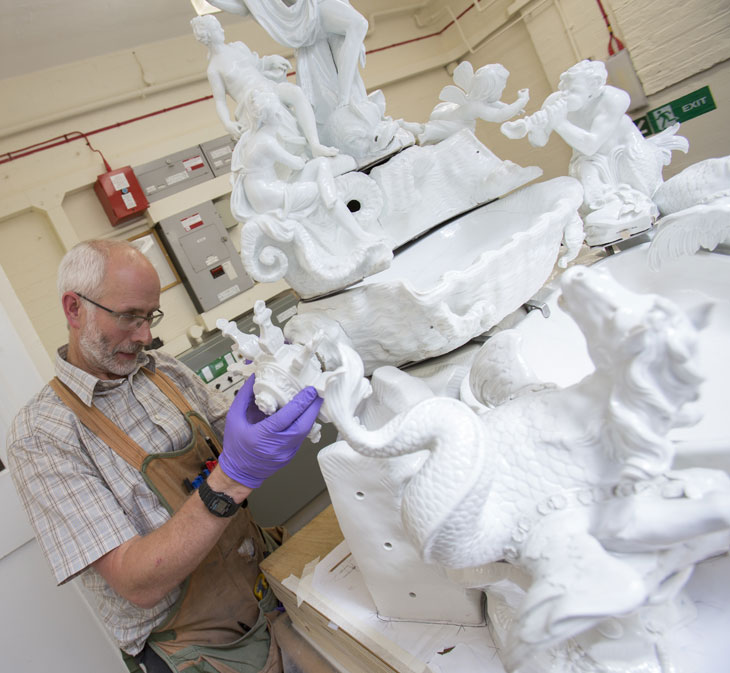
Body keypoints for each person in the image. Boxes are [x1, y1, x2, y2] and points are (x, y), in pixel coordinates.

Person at [6, 239, 323, 673]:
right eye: (129, 317)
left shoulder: (164, 370)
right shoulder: (42, 436)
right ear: (73, 309)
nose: (145, 335)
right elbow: (136, 583)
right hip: (196, 647)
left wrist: (271, 403)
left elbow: (234, 439)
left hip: (266, 589)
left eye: (150, 316)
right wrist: (230, 478)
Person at [191, 14, 336, 158]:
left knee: (296, 93)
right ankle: (298, 154)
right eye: (217, 29)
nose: (222, 30)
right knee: (276, 116)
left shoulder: (238, 46)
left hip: (268, 85)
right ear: (208, 36)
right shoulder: (214, 68)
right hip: (253, 102)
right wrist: (227, 123)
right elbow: (220, 101)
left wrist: (272, 61)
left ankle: (315, 145)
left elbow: (258, 64)